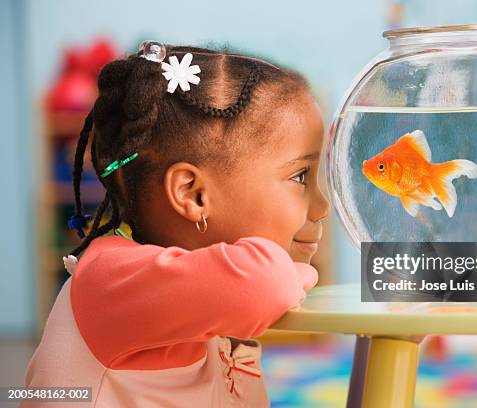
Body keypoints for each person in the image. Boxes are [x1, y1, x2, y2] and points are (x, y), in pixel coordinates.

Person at [22, 41, 330, 407]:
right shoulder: (109, 279)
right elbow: (269, 284)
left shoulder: (186, 294)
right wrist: (301, 273)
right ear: (193, 194)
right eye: (300, 177)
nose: (323, 206)